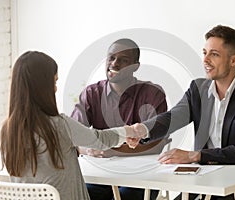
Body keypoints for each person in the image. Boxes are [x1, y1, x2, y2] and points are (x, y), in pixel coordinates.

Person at [130, 25, 235, 200]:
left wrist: (195, 155)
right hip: (205, 183)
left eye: (214, 54)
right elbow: (172, 118)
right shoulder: (197, 89)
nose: (205, 60)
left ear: (233, 60)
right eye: (204, 52)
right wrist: (142, 130)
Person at [0, 51, 143, 200]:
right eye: (54, 82)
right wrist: (131, 130)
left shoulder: (7, 131)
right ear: (42, 87)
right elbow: (101, 139)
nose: (55, 89)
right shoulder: (59, 125)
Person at [71, 38, 168, 200]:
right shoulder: (91, 94)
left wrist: (110, 150)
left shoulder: (152, 94)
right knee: (81, 194)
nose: (114, 64)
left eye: (123, 60)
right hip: (100, 176)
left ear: (135, 66)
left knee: (123, 196)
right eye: (111, 58)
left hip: (140, 177)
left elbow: (157, 144)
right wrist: (88, 149)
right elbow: (73, 136)